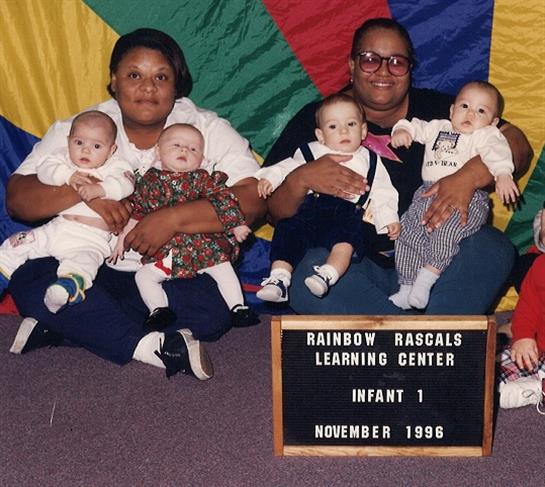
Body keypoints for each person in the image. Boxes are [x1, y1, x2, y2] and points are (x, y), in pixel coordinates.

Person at [6, 28, 265, 380]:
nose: (147, 88)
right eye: (133, 76)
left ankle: (72, 324)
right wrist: (91, 194)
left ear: (177, 84)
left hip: (165, 269)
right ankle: (150, 347)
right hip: (89, 260)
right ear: (114, 80)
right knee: (28, 278)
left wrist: (172, 220)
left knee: (213, 315)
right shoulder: (86, 126)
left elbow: (253, 200)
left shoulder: (205, 128)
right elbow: (18, 199)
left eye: (161, 77)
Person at [264, 17, 532, 315]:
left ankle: (408, 330)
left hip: (438, 264)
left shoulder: (443, 112)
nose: (383, 71)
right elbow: (274, 211)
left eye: (396, 62)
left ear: (409, 69)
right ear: (352, 65)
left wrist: (468, 177)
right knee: (303, 275)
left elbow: (517, 144)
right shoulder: (320, 118)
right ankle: (424, 332)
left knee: (493, 249)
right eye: (370, 59)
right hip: (350, 265)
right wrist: (300, 179)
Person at [111, 123, 258, 331]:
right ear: (158, 152)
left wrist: (236, 225)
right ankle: (159, 309)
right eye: (176, 145)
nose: (184, 150)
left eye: (193, 149)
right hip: (168, 254)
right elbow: (137, 213)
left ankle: (238, 307)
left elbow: (223, 200)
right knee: (144, 277)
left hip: (203, 248)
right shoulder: (148, 182)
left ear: (201, 160)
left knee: (223, 269)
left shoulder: (202, 179)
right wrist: (122, 240)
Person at [255, 94, 399, 302]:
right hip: (309, 210)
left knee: (346, 243)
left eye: (351, 124)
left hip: (346, 213)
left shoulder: (371, 160)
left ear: (363, 130)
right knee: (287, 233)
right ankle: (279, 278)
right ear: (320, 135)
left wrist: (387, 219)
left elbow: (384, 191)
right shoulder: (311, 151)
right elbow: (286, 167)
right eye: (333, 126)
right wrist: (268, 178)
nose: (343, 131)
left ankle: (328, 275)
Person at [389, 81, 518, 310]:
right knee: (408, 232)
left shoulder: (484, 135)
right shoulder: (438, 126)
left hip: (468, 198)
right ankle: (407, 286)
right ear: (451, 110)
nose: (470, 114)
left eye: (481, 111)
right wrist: (402, 130)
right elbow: (415, 125)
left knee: (447, 232)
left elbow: (498, 152)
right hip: (426, 192)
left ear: (493, 122)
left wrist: (503, 174)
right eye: (464, 106)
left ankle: (426, 279)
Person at [0, 110, 134, 313]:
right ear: (68, 141)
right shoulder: (63, 159)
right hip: (58, 227)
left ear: (111, 149)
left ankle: (64, 290)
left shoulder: (117, 165)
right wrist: (67, 176)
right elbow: (45, 169)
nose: (86, 150)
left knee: (83, 265)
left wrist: (100, 190)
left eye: (96, 146)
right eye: (79, 142)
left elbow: (125, 185)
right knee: (16, 245)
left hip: (91, 238)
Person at [498, 254, 545, 413]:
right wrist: (523, 336)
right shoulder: (540, 266)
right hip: (538, 349)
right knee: (488, 369)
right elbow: (527, 306)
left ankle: (538, 389)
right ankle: (532, 383)